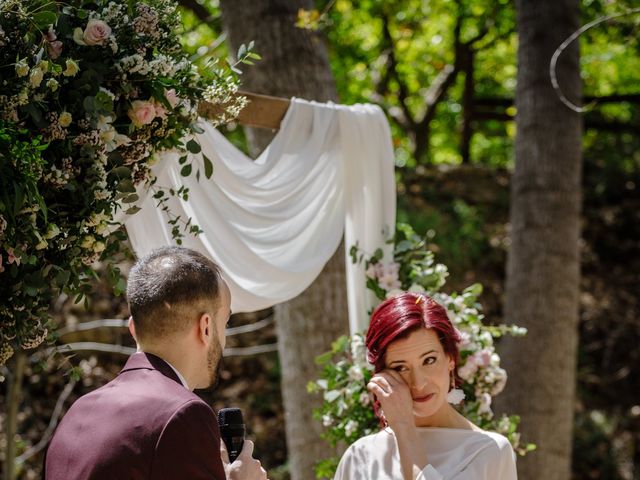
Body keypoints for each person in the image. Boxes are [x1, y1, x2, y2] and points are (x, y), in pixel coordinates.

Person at [44, 246, 268, 480]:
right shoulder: (183, 414)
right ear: (206, 327)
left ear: (132, 328)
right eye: (225, 323)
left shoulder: (78, 412)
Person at [334, 292, 517, 479]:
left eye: (429, 360)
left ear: (450, 359)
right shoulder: (360, 458)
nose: (418, 383)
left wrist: (404, 428)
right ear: (383, 375)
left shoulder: (489, 452)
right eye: (400, 367)